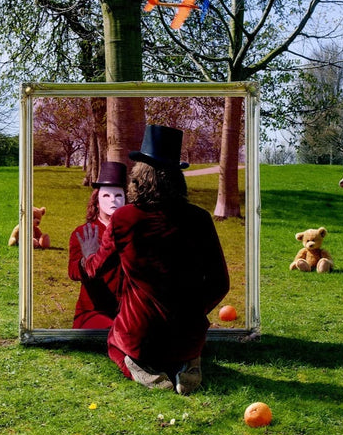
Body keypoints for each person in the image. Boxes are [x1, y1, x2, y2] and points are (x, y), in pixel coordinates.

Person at [77, 125, 230, 395]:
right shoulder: (200, 218)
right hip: (189, 335)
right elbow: (220, 283)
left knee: (115, 341)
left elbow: (96, 268)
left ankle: (142, 368)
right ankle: (188, 365)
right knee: (184, 345)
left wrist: (86, 256)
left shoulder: (124, 218)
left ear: (138, 176)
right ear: (177, 177)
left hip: (141, 335)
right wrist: (193, 312)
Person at [68, 161, 127, 329]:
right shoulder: (83, 232)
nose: (113, 201)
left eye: (118, 196)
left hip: (127, 312)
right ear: (97, 201)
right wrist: (86, 260)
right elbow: (72, 272)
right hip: (92, 312)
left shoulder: (133, 232)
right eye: (107, 196)